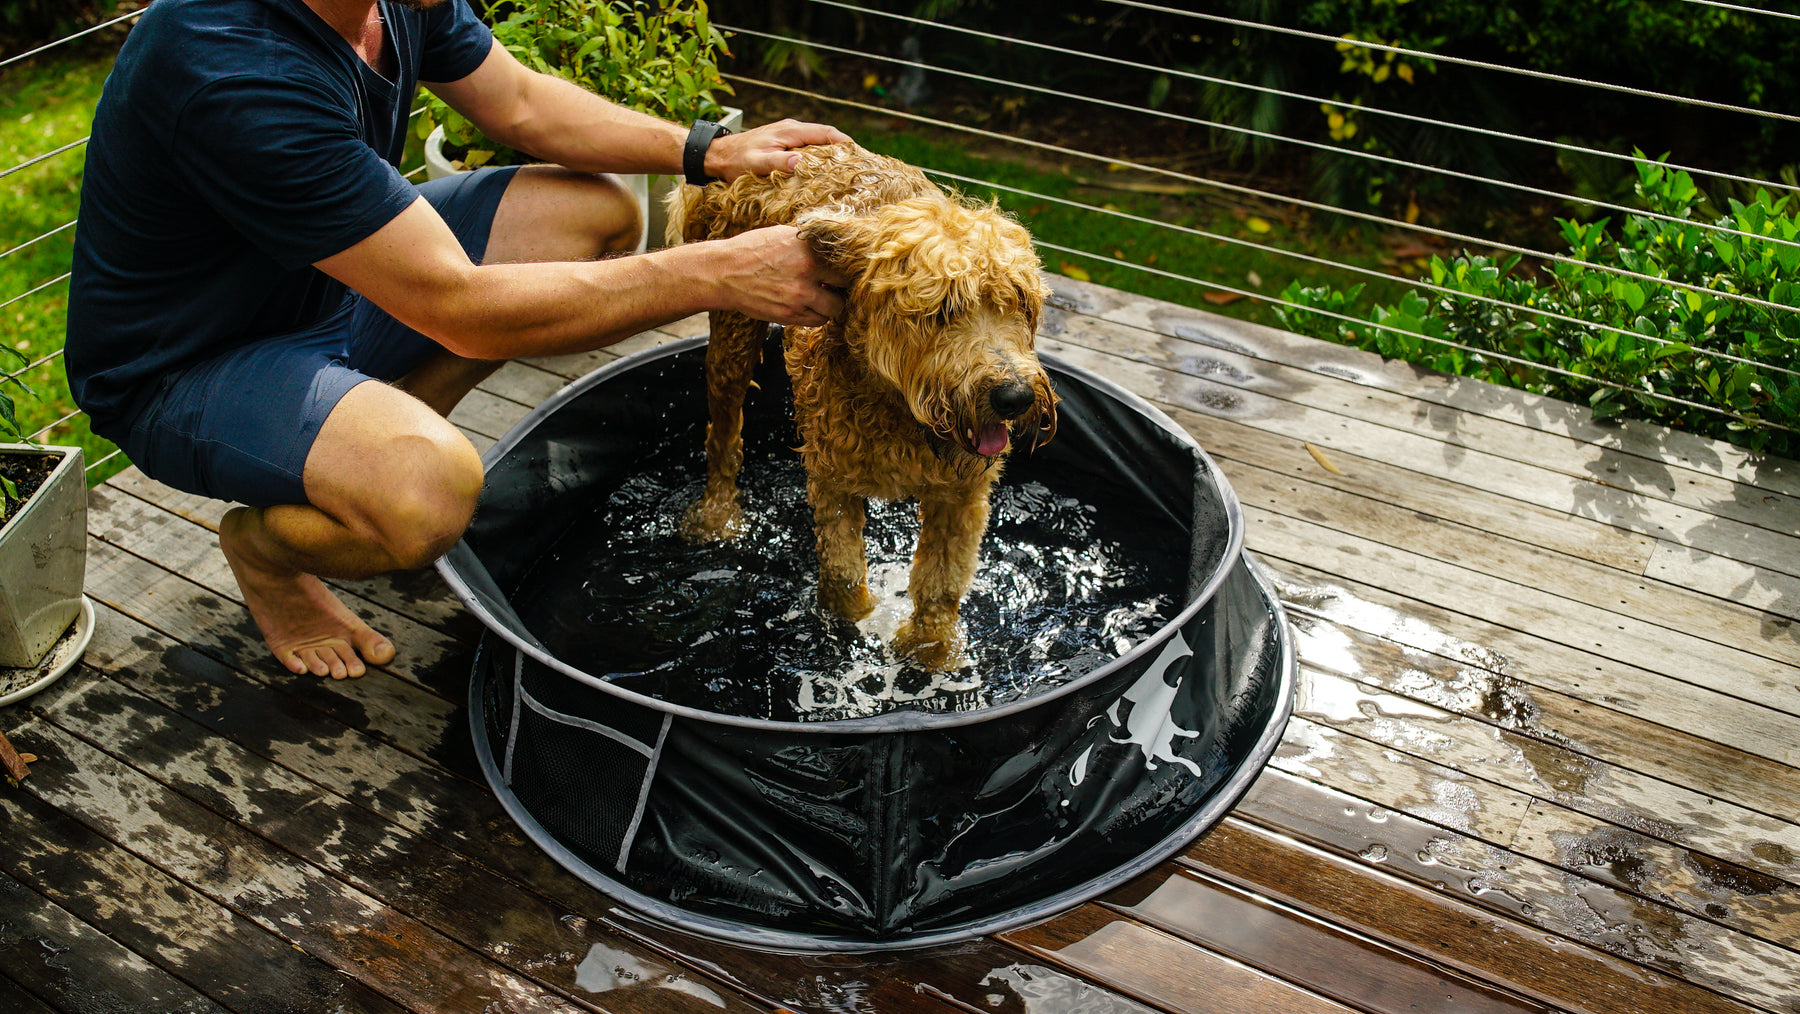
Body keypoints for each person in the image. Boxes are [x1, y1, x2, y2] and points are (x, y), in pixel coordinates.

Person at [65, 0, 851, 681]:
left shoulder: (395, 3)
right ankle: (266, 552)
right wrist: (722, 272)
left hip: (337, 283)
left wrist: (708, 151)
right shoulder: (231, 68)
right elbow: (459, 307)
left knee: (593, 212)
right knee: (428, 495)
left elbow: (520, 103)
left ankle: (373, 431)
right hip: (189, 365)